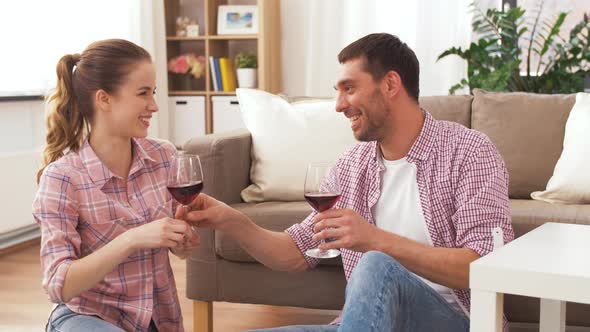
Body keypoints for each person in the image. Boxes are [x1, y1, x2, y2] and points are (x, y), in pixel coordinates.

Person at [184, 33, 515, 332]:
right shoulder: (352, 166)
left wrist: (374, 240)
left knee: (375, 264)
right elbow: (296, 252)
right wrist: (230, 219)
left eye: (349, 88)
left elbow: (484, 267)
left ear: (390, 84)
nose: (339, 105)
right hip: (365, 324)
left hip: (456, 323)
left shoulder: (469, 151)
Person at [33, 39, 198, 332]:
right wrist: (132, 238)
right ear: (104, 99)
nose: (154, 106)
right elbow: (58, 284)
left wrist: (183, 242)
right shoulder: (62, 178)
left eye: (154, 93)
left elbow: (179, 248)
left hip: (158, 321)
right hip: (88, 320)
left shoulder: (164, 157)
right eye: (143, 93)